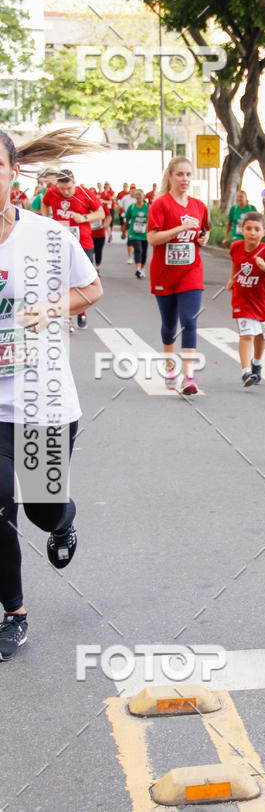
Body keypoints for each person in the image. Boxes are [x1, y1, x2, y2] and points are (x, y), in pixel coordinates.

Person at [0, 129, 103, 661]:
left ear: (13, 171)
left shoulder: (46, 235)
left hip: (42, 399)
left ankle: (61, 520)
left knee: (40, 508)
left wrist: (49, 309)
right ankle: (13, 612)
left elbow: (91, 289)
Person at [147, 157, 210, 395]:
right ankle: (170, 367)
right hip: (164, 273)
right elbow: (152, 238)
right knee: (169, 324)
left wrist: (203, 239)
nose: (185, 179)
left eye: (188, 174)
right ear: (170, 177)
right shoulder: (160, 205)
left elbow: (203, 233)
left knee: (189, 320)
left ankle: (189, 378)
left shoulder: (198, 205)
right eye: (180, 174)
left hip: (191, 271)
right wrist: (181, 229)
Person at [41, 169, 104, 329]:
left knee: (85, 282)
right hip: (59, 243)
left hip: (83, 243)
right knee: (62, 280)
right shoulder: (52, 192)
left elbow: (101, 213)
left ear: (74, 183)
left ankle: (82, 311)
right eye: (62, 189)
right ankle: (67, 316)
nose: (66, 192)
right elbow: (44, 203)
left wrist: (84, 217)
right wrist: (45, 220)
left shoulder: (85, 193)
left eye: (69, 188)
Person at [226, 212, 265, 386]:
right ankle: (246, 372)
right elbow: (235, 263)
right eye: (248, 228)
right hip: (242, 301)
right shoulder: (236, 247)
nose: (252, 233)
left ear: (263, 232)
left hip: (263, 302)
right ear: (242, 230)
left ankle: (256, 363)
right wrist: (231, 279)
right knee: (247, 335)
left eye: (257, 229)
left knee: (260, 335)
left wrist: (264, 266)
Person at [125, 188, 149, 278]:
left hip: (145, 234)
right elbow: (127, 220)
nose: (138, 196)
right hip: (134, 233)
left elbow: (152, 220)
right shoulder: (131, 207)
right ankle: (138, 269)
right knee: (138, 250)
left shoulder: (148, 207)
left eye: (140, 194)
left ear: (144, 196)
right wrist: (124, 231)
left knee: (144, 252)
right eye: (136, 194)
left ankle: (142, 269)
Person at [120, 184, 137, 263]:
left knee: (135, 238)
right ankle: (130, 256)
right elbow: (121, 206)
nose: (133, 190)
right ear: (130, 190)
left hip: (136, 221)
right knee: (130, 237)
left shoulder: (138, 198)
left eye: (134, 189)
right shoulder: (125, 198)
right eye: (131, 189)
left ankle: (134, 251)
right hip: (127, 219)